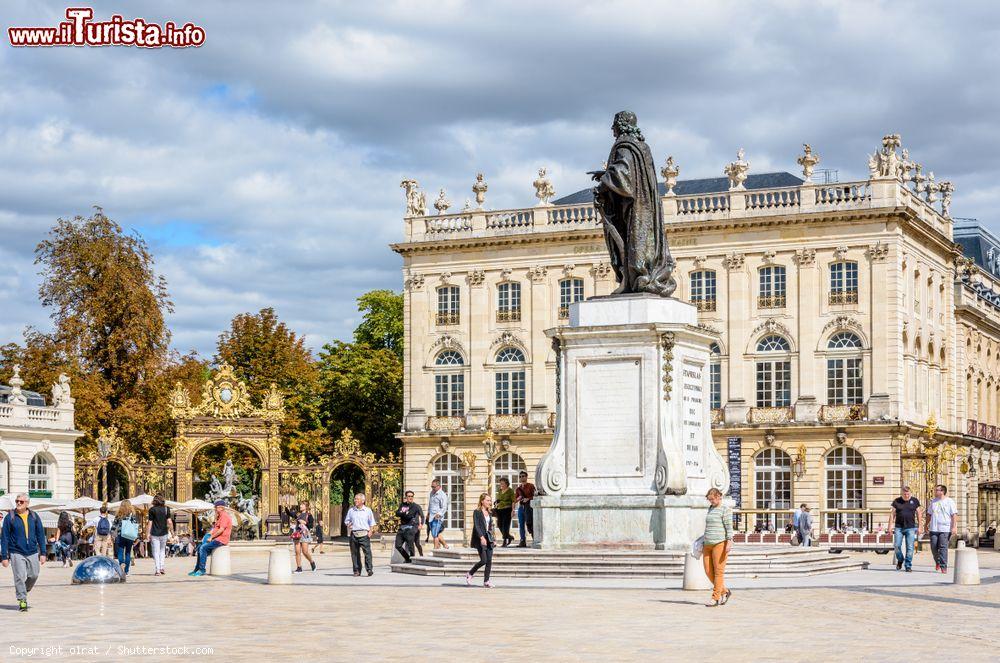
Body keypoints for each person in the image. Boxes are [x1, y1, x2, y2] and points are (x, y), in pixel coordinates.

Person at [1, 494, 47, 611]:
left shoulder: (34, 516)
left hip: (32, 551)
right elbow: (4, 537)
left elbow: (41, 535)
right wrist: (4, 556)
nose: (19, 503)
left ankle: (22, 590)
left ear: (27, 503)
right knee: (19, 577)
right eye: (17, 501)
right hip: (16, 552)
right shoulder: (10, 517)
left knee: (34, 575)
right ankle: (22, 600)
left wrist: (43, 553)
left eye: (21, 501)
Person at [702, 487, 733, 607]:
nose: (711, 502)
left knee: (718, 572)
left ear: (719, 497)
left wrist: (729, 542)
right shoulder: (711, 508)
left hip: (720, 543)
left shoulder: (725, 510)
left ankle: (715, 598)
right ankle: (725, 591)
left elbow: (729, 527)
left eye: (712, 499)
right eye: (709, 500)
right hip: (707, 544)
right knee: (708, 571)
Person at [189, 500, 232, 577]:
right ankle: (197, 569)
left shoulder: (224, 516)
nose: (215, 508)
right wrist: (208, 535)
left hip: (221, 540)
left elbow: (221, 530)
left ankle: (202, 570)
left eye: (216, 507)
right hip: (216, 538)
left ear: (221, 507)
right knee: (199, 548)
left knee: (203, 548)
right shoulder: (219, 516)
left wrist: (211, 537)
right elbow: (215, 529)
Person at [888, 485, 922, 572]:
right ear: (902, 494)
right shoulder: (897, 501)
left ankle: (908, 565)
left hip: (910, 527)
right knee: (896, 545)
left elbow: (919, 514)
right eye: (904, 494)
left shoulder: (914, 501)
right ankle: (900, 559)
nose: (906, 496)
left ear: (910, 493)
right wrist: (890, 527)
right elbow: (892, 515)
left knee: (910, 548)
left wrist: (920, 526)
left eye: (908, 494)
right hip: (898, 527)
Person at [925, 484, 958, 574]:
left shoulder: (950, 501)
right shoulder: (933, 501)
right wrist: (926, 524)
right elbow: (929, 514)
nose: (935, 492)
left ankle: (944, 566)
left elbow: (954, 515)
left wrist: (954, 527)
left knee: (943, 547)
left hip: (945, 528)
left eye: (937, 490)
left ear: (942, 491)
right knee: (933, 547)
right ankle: (938, 562)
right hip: (934, 528)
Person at [466, 493, 496, 588]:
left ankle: (486, 581)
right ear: (482, 501)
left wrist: (494, 539)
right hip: (480, 538)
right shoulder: (477, 512)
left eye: (490, 500)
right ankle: (470, 573)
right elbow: (477, 526)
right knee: (483, 560)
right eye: (487, 500)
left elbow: (491, 527)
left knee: (489, 560)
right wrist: (481, 537)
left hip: (489, 538)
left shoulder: (490, 512)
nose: (489, 502)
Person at [344, 493, 376, 576]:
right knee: (354, 553)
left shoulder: (367, 510)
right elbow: (347, 521)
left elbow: (372, 522)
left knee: (367, 553)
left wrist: (370, 532)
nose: (355, 500)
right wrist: (348, 524)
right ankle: (357, 570)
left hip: (364, 534)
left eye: (357, 499)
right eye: (355, 499)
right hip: (354, 534)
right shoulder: (351, 510)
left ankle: (369, 569)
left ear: (363, 501)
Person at [146, 495, 173, 576]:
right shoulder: (166, 509)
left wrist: (147, 533)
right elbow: (170, 522)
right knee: (162, 551)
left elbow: (150, 523)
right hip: (164, 533)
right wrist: (172, 531)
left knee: (156, 552)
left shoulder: (152, 510)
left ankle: (157, 570)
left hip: (154, 533)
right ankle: (162, 567)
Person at [394, 490, 424, 563]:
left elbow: (420, 516)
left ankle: (415, 557)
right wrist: (405, 513)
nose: (410, 497)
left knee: (414, 544)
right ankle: (407, 558)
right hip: (402, 528)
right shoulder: (402, 505)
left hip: (411, 527)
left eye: (411, 496)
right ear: (406, 497)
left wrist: (421, 524)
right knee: (397, 545)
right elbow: (397, 513)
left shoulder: (416, 506)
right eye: (409, 496)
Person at [112, 500, 139, 575]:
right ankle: (126, 571)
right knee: (128, 552)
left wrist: (111, 533)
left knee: (120, 551)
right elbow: (135, 525)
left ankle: (121, 565)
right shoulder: (132, 514)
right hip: (130, 535)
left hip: (121, 535)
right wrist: (137, 536)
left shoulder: (119, 514)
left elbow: (114, 525)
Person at [292, 503, 316, 573]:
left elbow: (311, 525)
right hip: (297, 533)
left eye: (302, 505)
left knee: (305, 552)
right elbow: (290, 514)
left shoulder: (309, 515)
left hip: (305, 533)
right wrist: (286, 508)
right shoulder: (298, 514)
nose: (300, 506)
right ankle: (299, 568)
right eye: (300, 505)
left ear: (306, 507)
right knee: (297, 551)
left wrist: (305, 522)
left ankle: (312, 562)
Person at [515, 471, 536, 547]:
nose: (521, 477)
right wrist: (518, 499)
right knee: (521, 525)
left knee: (530, 523)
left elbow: (535, 496)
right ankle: (522, 541)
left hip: (529, 507)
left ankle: (535, 539)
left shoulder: (531, 486)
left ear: (526, 477)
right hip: (521, 507)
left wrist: (528, 499)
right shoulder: (518, 489)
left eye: (523, 476)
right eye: (520, 476)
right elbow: (515, 499)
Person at [428, 479, 449, 550]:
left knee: (435, 534)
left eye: (434, 487)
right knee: (436, 533)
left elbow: (444, 507)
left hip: (437, 518)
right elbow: (430, 504)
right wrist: (428, 513)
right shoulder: (432, 493)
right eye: (431, 486)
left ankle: (435, 549)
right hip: (431, 516)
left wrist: (439, 514)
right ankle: (445, 545)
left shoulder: (442, 495)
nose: (432, 488)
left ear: (439, 486)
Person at [494, 477, 515, 547]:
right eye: (500, 483)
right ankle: (509, 536)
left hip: (507, 510)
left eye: (502, 483)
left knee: (506, 526)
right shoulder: (500, 491)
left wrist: (513, 510)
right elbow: (499, 499)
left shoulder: (510, 491)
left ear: (506, 484)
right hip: (500, 510)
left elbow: (513, 501)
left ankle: (505, 542)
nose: (501, 485)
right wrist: (497, 501)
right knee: (499, 524)